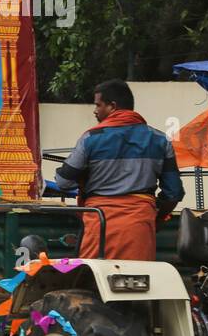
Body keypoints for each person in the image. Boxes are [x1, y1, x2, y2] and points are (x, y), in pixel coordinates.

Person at [52, 79, 184, 259]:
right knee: (138, 281)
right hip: (140, 226)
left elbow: (63, 181)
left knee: (92, 280)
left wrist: (87, 184)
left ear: (112, 106)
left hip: (98, 223)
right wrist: (155, 217)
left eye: (98, 105)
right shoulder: (160, 140)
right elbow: (174, 193)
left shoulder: (91, 138)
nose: (95, 110)